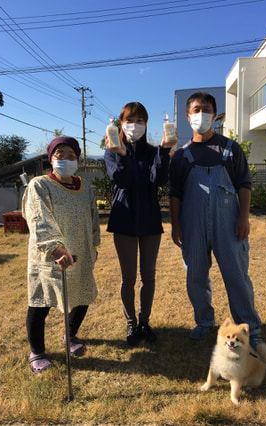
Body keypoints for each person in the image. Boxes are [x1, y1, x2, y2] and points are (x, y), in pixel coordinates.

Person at [169, 92, 264, 350]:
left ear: (214, 114)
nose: (201, 114)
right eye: (196, 110)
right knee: (196, 276)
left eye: (206, 109)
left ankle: (249, 327)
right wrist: (176, 224)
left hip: (229, 223)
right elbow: (175, 193)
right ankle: (204, 320)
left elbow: (244, 184)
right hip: (192, 225)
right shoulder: (180, 156)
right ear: (188, 117)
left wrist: (244, 217)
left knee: (236, 275)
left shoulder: (231, 149)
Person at [22, 136, 100, 374]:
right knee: (41, 302)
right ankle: (37, 352)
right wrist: (56, 248)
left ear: (77, 159)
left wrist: (93, 246)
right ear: (51, 159)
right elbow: (38, 219)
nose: (65, 159)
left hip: (80, 253)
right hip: (50, 257)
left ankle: (71, 334)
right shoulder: (39, 185)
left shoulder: (85, 187)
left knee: (82, 296)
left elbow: (92, 217)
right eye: (59, 155)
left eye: (71, 155)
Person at [104, 102, 177, 346]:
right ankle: (130, 322)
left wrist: (165, 151)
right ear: (121, 124)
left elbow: (158, 180)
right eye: (129, 120)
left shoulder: (154, 152)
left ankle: (144, 321)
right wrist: (123, 154)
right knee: (128, 278)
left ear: (146, 124)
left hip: (149, 221)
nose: (134, 125)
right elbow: (121, 180)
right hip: (124, 220)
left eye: (140, 120)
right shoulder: (112, 152)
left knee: (149, 276)